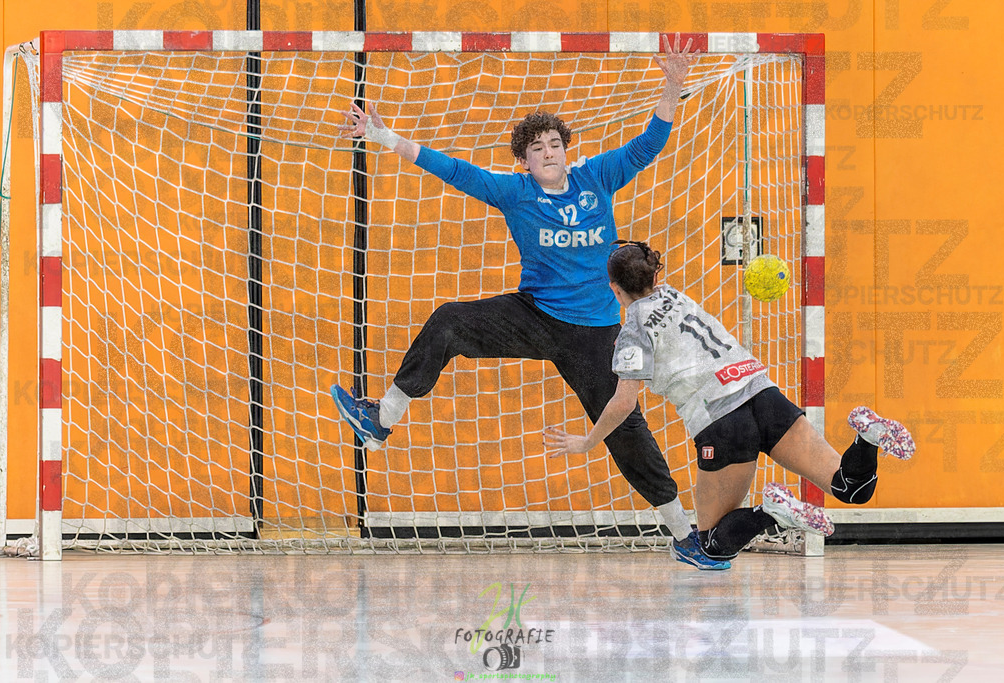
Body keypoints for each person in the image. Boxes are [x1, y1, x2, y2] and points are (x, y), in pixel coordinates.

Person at [331, 36, 730, 570]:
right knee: (449, 321)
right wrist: (382, 135)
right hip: (534, 315)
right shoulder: (516, 193)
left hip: (593, 332)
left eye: (554, 143)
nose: (548, 152)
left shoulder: (596, 178)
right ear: (524, 160)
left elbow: (646, 145)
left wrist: (673, 84)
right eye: (537, 147)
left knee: (626, 429)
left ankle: (684, 535)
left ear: (566, 150)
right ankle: (382, 417)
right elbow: (454, 170)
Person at [543, 240, 916, 568]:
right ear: (656, 275)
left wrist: (588, 441)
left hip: (721, 419)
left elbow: (624, 402)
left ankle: (771, 512)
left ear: (614, 289)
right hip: (764, 394)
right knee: (851, 488)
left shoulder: (632, 333)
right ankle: (866, 437)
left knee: (710, 546)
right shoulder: (675, 295)